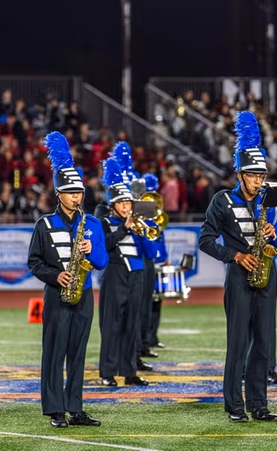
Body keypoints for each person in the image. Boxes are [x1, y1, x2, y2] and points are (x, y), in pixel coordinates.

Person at [198, 111, 277, 423]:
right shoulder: (222, 201)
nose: (258, 182)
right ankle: (234, 406)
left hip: (267, 275)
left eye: (261, 176)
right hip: (239, 275)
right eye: (252, 176)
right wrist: (235, 256)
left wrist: (274, 235)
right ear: (240, 175)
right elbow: (205, 240)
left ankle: (259, 404)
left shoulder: (270, 202)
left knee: (263, 344)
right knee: (237, 343)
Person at [27, 132, 108, 428]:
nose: (76, 197)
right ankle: (55, 410)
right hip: (56, 295)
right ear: (59, 194)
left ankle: (75, 408)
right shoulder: (45, 225)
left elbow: (102, 261)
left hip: (83, 295)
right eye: (71, 193)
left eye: (79, 193)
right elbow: (34, 262)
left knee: (78, 353)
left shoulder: (92, 224)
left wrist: (91, 250)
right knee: (54, 352)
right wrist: (55, 275)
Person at [98, 157, 156, 388]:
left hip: (137, 275)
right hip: (115, 274)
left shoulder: (138, 224)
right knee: (112, 324)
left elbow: (150, 253)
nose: (126, 207)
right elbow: (105, 244)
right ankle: (107, 372)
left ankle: (129, 371)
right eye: (121, 203)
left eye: (128, 203)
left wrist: (147, 232)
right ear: (113, 205)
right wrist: (124, 229)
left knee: (132, 324)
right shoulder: (104, 222)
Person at [142, 173, 169, 350]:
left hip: (158, 261)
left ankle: (153, 336)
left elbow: (161, 239)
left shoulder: (157, 217)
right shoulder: (141, 217)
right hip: (147, 261)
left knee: (157, 300)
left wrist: (165, 258)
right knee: (146, 302)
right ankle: (145, 338)